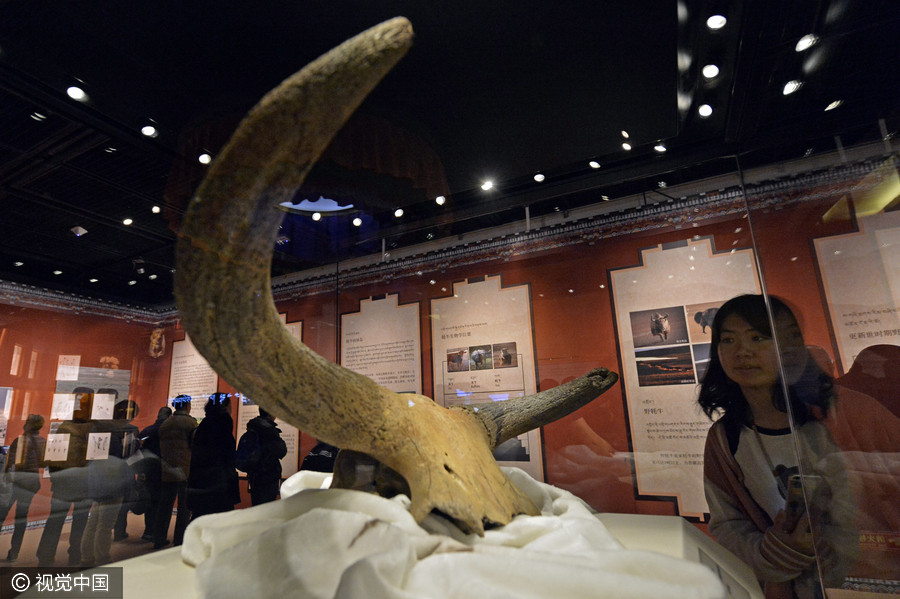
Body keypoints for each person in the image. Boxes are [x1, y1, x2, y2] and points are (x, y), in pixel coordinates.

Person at [698, 294, 857, 599]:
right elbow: (727, 523)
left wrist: (837, 554)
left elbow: (870, 506)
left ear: (789, 345)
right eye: (728, 340)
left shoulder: (837, 415)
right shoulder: (724, 437)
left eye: (757, 338)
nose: (742, 351)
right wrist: (776, 554)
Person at [37, 388, 94, 566]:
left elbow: (53, 458)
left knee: (57, 520)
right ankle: (74, 554)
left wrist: (57, 478)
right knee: (79, 520)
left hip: (66, 481)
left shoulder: (65, 427)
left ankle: (46, 555)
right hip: (82, 482)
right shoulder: (91, 429)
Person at [80, 401, 140, 567]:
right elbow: (123, 455)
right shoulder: (121, 431)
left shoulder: (98, 427)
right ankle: (102, 559)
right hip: (113, 480)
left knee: (94, 521)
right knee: (105, 525)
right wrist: (136, 445)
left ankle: (86, 558)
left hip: (97, 478)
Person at [0, 414, 47, 562]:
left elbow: (10, 463)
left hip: (16, 482)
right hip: (32, 482)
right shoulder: (42, 441)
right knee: (21, 518)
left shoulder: (20, 440)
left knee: (2, 514)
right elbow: (43, 463)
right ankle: (14, 553)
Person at [153, 394, 196, 549]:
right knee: (184, 508)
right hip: (185, 470)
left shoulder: (166, 423)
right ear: (187, 406)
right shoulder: (191, 423)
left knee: (164, 507)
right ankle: (179, 539)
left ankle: (159, 538)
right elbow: (195, 446)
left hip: (168, 470)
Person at [187, 393, 240, 519]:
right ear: (225, 406)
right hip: (218, 482)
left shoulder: (205, 424)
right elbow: (227, 454)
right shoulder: (223, 424)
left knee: (201, 516)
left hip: (200, 479)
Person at [136, 406, 172, 541]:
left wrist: (140, 470)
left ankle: (148, 531)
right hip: (163, 471)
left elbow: (138, 449)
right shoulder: (168, 431)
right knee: (161, 504)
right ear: (169, 417)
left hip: (148, 470)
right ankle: (157, 533)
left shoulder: (147, 430)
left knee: (149, 501)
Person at [243, 408, 287, 505]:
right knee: (266, 507)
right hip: (267, 475)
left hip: (254, 475)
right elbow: (281, 451)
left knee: (257, 505)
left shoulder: (254, 427)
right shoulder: (268, 430)